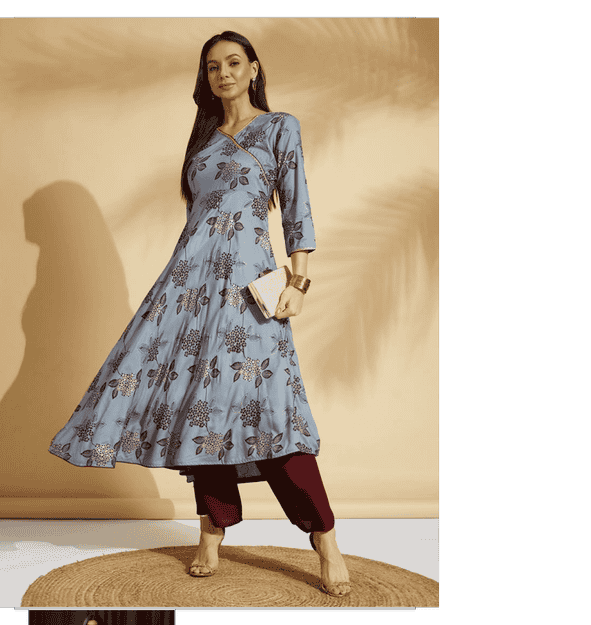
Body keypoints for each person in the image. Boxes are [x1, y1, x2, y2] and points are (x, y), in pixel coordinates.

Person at [48, 30, 350, 598]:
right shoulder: (204, 142)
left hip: (252, 288)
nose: (223, 73)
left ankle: (325, 538)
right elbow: (198, 224)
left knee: (274, 412)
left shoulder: (279, 127)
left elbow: (297, 207)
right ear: (205, 78)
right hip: (188, 289)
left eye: (234, 62)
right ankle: (213, 531)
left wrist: (299, 280)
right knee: (200, 411)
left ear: (254, 69)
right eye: (213, 66)